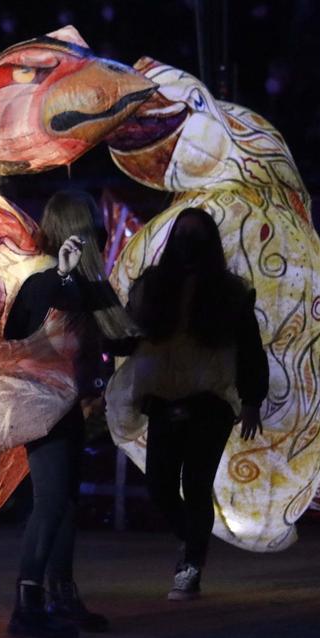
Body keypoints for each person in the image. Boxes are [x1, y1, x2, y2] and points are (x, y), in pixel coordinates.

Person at [3, 191, 140, 638]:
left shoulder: (87, 281)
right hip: (39, 401)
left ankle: (61, 594)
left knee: (65, 502)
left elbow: (121, 340)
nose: (99, 234)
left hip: (67, 404)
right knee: (50, 502)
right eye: (93, 225)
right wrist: (61, 273)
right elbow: (21, 322)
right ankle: (27, 604)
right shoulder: (41, 274)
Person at [118, 207, 268, 601]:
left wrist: (253, 398)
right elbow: (129, 335)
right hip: (165, 396)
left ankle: (190, 567)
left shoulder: (230, 293)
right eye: (181, 233)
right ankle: (193, 540)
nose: (187, 242)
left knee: (196, 482)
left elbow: (250, 347)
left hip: (211, 400)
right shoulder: (154, 287)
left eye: (195, 234)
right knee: (160, 485)